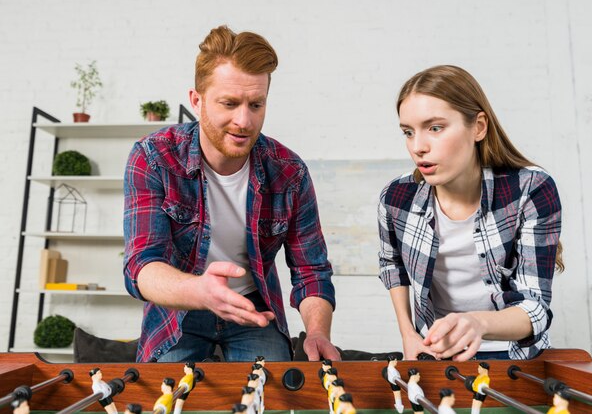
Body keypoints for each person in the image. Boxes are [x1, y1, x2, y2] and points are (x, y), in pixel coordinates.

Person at [124, 24, 339, 363]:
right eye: (229, 103)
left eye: (256, 104)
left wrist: (317, 332)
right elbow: (141, 266)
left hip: (253, 309)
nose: (244, 120)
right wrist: (201, 291)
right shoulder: (154, 157)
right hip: (180, 307)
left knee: (272, 394)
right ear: (197, 100)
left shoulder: (289, 172)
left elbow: (311, 270)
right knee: (165, 397)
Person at [378, 65, 563, 362]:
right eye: (408, 132)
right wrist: (408, 335)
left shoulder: (531, 188)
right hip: (436, 356)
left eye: (435, 128)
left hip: (516, 356)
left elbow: (536, 308)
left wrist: (477, 323)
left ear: (478, 127)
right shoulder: (397, 197)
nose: (418, 147)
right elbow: (392, 265)